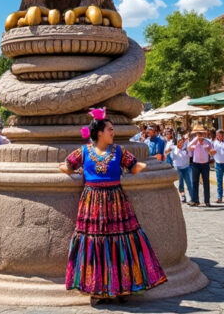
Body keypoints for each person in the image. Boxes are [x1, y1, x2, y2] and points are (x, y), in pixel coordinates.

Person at [59, 108, 166, 304]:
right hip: (92, 202)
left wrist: (149, 164)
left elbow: (134, 167)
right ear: (99, 132)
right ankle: (97, 288)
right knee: (95, 240)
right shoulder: (84, 151)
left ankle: (122, 286)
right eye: (110, 129)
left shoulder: (118, 151)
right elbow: (66, 165)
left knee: (120, 240)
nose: (112, 132)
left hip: (115, 201)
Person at [186, 122, 214, 207]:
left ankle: (207, 200)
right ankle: (195, 200)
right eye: (198, 133)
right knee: (195, 182)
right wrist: (196, 139)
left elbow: (212, 152)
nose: (200, 135)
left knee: (206, 182)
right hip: (196, 164)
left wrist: (208, 148)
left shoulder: (208, 142)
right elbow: (189, 147)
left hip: (205, 164)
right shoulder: (194, 142)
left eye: (201, 133)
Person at [165, 129, 191, 203]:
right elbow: (166, 152)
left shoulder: (186, 143)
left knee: (188, 182)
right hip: (176, 165)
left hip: (185, 165)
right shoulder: (172, 144)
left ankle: (191, 196)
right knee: (180, 182)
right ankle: (183, 196)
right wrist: (169, 150)